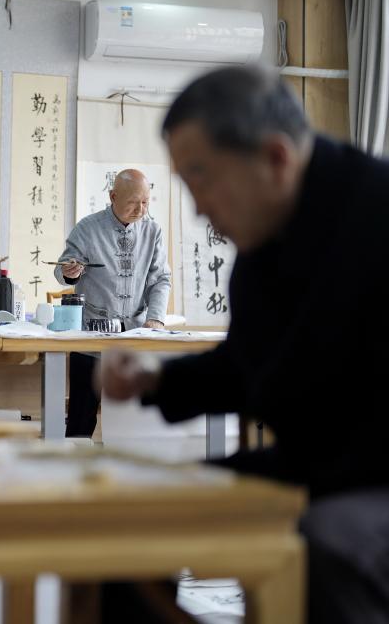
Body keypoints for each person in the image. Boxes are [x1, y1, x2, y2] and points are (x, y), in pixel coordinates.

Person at [101, 66, 389, 623]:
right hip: (321, 464)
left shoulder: (374, 215)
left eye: (202, 179)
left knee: (327, 540)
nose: (199, 208)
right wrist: (154, 379)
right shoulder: (265, 241)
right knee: (124, 515)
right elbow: (252, 365)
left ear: (276, 158)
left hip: (369, 475)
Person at [53, 168, 172, 436]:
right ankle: (75, 471)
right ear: (113, 196)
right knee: (81, 419)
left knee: (134, 420)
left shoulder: (153, 232)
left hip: (135, 335)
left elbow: (161, 279)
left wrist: (156, 318)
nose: (140, 209)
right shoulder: (88, 227)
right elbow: (61, 270)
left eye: (145, 202)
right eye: (133, 202)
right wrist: (69, 272)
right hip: (90, 336)